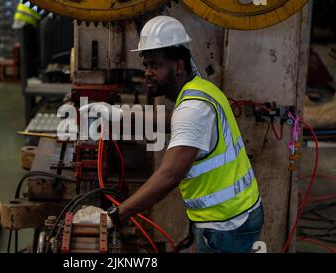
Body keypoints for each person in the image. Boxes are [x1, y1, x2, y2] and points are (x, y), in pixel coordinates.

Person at [107, 15, 264, 253]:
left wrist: (117, 215)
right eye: (146, 64)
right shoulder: (200, 89)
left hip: (226, 225)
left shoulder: (193, 109)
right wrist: (117, 115)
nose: (147, 72)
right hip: (238, 213)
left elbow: (169, 175)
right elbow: (175, 122)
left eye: (155, 65)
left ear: (178, 65)